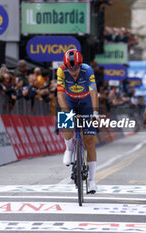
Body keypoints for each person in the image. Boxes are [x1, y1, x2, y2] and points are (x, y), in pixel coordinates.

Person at [57, 49, 99, 194]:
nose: (73, 71)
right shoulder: (61, 71)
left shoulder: (88, 70)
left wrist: (95, 112)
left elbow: (94, 91)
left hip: (86, 103)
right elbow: (60, 94)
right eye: (70, 68)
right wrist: (66, 112)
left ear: (80, 65)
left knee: (89, 141)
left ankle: (92, 181)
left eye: (75, 68)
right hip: (70, 102)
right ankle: (68, 149)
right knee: (66, 122)